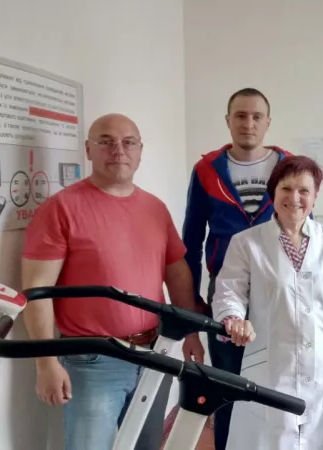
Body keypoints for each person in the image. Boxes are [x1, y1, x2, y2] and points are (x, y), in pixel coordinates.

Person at [21, 113, 205, 450]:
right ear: (88, 150)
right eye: (106, 142)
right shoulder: (61, 208)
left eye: (128, 142)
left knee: (147, 444)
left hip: (154, 352)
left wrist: (191, 332)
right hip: (94, 361)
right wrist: (45, 362)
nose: (118, 150)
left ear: (140, 151)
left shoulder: (155, 208)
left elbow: (176, 272)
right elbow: (37, 292)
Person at [212, 155, 323, 450]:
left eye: (304, 190)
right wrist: (233, 318)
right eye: (286, 189)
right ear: (273, 193)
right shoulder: (246, 242)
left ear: (315, 196)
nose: (295, 198)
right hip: (271, 368)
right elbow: (229, 291)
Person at [181, 88, 293, 449]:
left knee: (279, 382)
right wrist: (191, 311)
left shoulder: (290, 167)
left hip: (280, 288)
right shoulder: (207, 171)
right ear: (228, 121)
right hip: (226, 292)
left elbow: (306, 230)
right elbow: (191, 241)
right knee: (226, 383)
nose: (248, 123)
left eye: (256, 116)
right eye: (240, 116)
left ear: (268, 122)